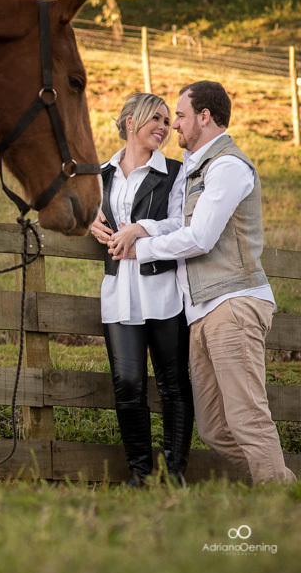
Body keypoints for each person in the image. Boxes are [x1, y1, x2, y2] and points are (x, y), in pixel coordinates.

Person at [107, 81, 296, 484]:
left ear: (204, 117)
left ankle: (280, 500)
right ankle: (278, 488)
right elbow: (178, 221)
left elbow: (200, 237)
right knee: (213, 428)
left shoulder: (228, 166)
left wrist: (140, 248)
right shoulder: (198, 167)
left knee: (246, 416)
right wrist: (128, 226)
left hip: (234, 303)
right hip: (202, 311)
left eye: (179, 115)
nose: (174, 124)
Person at [90, 93, 191, 485]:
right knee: (127, 385)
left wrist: (141, 228)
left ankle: (174, 475)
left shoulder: (175, 172)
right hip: (118, 293)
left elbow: (182, 223)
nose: (164, 128)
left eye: (168, 121)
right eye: (157, 119)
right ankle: (140, 475)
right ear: (131, 121)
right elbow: (84, 212)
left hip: (163, 292)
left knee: (172, 384)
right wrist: (90, 224)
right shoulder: (100, 174)